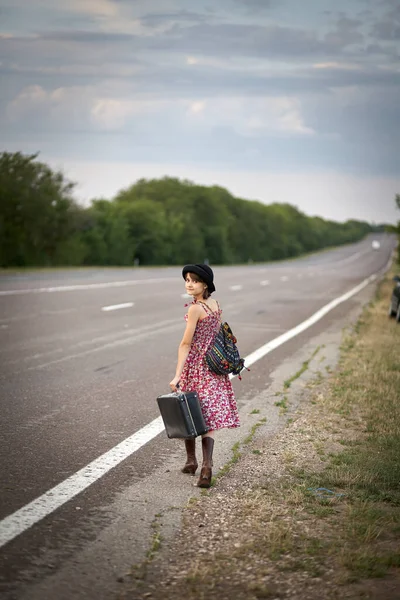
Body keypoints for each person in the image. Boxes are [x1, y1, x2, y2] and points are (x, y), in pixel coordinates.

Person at [169, 264, 240, 488]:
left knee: (189, 410)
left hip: (196, 367)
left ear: (205, 284)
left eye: (194, 280)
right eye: (187, 280)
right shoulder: (215, 305)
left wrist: (177, 374)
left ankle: (193, 461)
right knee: (207, 415)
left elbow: (185, 343)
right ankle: (204, 466)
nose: (189, 284)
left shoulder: (195, 309)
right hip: (213, 368)